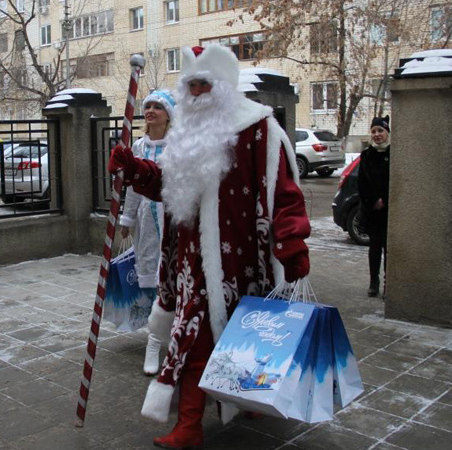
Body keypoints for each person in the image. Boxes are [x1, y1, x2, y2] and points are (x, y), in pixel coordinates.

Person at [108, 44, 311, 449]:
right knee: (194, 338)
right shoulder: (185, 133)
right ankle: (189, 424)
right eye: (191, 85)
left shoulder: (259, 128)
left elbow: (284, 192)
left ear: (222, 86)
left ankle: (248, 399)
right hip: (190, 261)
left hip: (244, 259)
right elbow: (168, 186)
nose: (197, 92)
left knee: (245, 335)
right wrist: (135, 170)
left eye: (204, 84)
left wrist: (292, 243)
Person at [118, 90, 177, 376]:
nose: (151, 110)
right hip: (147, 226)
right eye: (148, 106)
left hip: (173, 224)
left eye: (158, 106)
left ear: (169, 114)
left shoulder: (179, 146)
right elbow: (132, 186)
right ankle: (153, 345)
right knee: (153, 282)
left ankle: (174, 342)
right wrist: (127, 218)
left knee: (172, 282)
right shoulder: (138, 147)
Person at [358, 116, 391, 297]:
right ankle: (373, 282)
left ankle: (388, 283)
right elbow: (362, 184)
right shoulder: (367, 154)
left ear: (387, 132)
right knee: (374, 247)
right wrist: (372, 202)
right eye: (374, 131)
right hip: (373, 211)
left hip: (389, 211)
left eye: (380, 131)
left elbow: (397, 181)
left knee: (389, 248)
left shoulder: (394, 153)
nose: (377, 134)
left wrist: (385, 200)